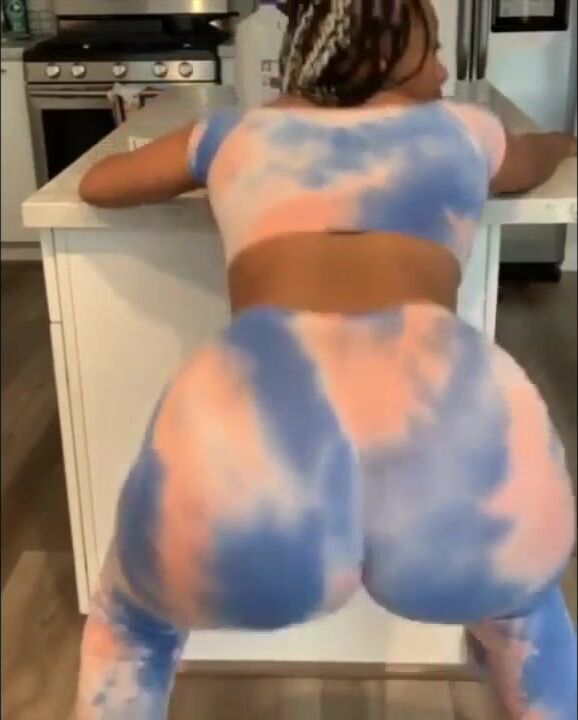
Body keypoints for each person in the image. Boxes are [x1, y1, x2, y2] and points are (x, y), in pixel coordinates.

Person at [77, 0, 577, 718]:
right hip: (447, 423)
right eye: (433, 49)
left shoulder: (236, 134)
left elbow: (100, 185)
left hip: (257, 436)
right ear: (385, 53)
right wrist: (563, 141)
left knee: (133, 630)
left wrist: (212, 155)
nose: (443, 71)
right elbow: (534, 160)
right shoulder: (466, 131)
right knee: (527, 617)